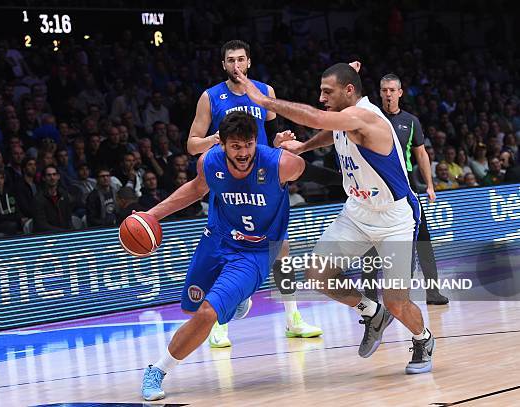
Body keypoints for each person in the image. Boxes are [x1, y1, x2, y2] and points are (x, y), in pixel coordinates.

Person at [237, 63, 435, 374]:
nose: (320, 97)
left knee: (397, 302)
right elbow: (332, 131)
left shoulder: (365, 117)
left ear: (349, 91)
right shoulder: (347, 119)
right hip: (357, 212)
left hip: (394, 218)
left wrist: (265, 102)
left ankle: (422, 339)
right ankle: (371, 312)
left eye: (327, 92)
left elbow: (319, 119)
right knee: (317, 274)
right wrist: (303, 147)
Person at [141, 111, 306, 400]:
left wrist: (287, 147)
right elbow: (195, 189)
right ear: (222, 144)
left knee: (207, 314)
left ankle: (157, 370)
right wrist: (152, 215)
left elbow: (301, 164)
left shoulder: (279, 164)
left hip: (254, 253)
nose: (243, 153)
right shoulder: (209, 161)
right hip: (216, 240)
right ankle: (238, 301)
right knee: (192, 310)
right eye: (236, 147)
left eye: (249, 145)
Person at [185, 39, 322, 347]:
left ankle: (292, 318)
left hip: (264, 181)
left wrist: (279, 143)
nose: (236, 65)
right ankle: (220, 322)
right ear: (223, 65)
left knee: (280, 250)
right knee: (226, 253)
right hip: (230, 182)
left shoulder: (265, 92)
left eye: (241, 59)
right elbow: (192, 144)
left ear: (249, 62)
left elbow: (268, 137)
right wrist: (217, 138)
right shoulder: (210, 97)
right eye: (230, 60)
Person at [361, 73, 448, 305]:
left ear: (400, 93)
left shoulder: (410, 122)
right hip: (375, 187)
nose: (388, 94)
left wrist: (429, 185)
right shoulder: (371, 118)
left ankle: (433, 292)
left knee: (422, 237)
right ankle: (370, 298)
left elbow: (421, 153)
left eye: (392, 90)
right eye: (384, 90)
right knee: (371, 241)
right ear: (379, 93)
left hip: (405, 186)